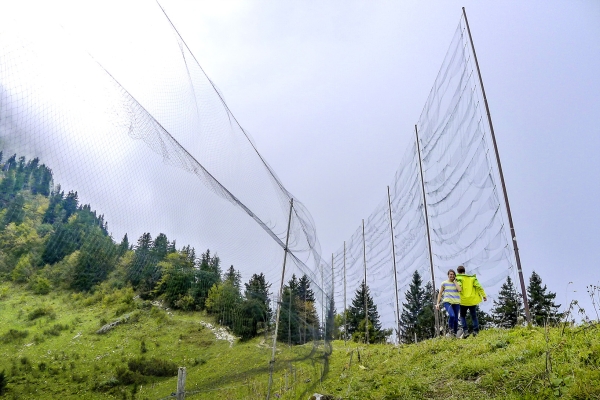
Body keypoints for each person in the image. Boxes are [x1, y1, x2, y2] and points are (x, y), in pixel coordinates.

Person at [455, 265, 487, 338]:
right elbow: (479, 287)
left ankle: (466, 331)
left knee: (462, 316)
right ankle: (476, 331)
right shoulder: (472, 278)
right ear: (464, 271)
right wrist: (484, 296)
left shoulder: (458, 278)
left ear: (458, 272)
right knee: (474, 316)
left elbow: (459, 287)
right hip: (472, 300)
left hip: (463, 301)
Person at [435, 269, 462, 337]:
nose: (452, 276)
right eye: (450, 274)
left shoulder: (458, 283)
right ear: (448, 275)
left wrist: (455, 282)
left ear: (455, 276)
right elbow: (440, 293)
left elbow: (459, 290)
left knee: (456, 320)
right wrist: (437, 303)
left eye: (453, 274)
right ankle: (450, 329)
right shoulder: (444, 283)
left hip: (456, 302)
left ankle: (455, 334)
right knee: (452, 315)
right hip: (447, 302)